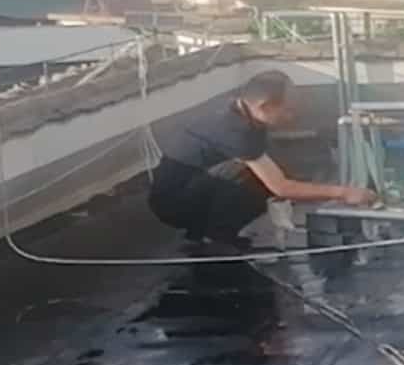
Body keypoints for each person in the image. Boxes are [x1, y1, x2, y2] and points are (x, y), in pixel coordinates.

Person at [147, 71, 371, 247]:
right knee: (255, 179)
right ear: (264, 106)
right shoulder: (235, 130)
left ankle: (205, 233)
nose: (292, 117)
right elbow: (281, 187)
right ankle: (216, 239)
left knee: (266, 174)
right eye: (288, 110)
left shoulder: (240, 111)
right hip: (173, 204)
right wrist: (343, 192)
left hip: (192, 186)